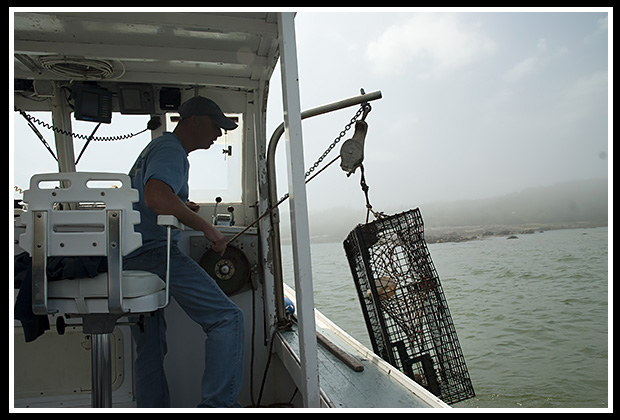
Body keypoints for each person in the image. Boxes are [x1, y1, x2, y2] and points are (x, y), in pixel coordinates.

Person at [124, 96, 244, 408]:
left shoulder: (157, 148)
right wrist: (207, 227)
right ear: (195, 121)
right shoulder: (172, 150)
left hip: (127, 255)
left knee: (150, 349)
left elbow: (152, 195)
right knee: (227, 319)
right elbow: (156, 197)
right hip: (153, 253)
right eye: (216, 126)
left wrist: (181, 205)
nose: (219, 134)